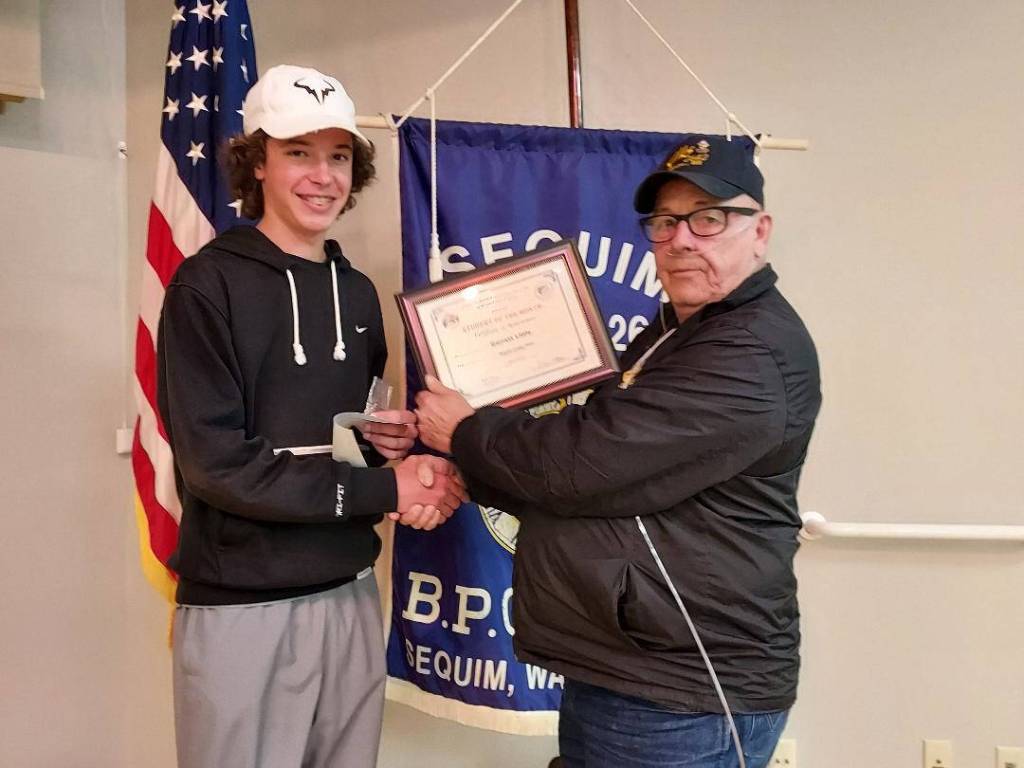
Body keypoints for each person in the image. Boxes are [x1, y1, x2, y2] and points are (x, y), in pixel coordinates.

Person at [415, 135, 821, 768]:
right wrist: (462, 463)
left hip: (684, 691)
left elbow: (584, 463)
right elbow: (595, 472)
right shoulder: (678, 333)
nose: (682, 239)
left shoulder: (748, 354)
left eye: (709, 219)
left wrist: (463, 435)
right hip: (629, 665)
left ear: (759, 231)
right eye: (665, 223)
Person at [157, 64, 465, 768]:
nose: (321, 176)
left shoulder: (356, 293)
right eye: (298, 152)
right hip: (242, 605)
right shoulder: (206, 286)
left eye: (337, 156)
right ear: (256, 161)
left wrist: (390, 449)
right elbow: (217, 467)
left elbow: (344, 441)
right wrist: (392, 490)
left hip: (351, 591)